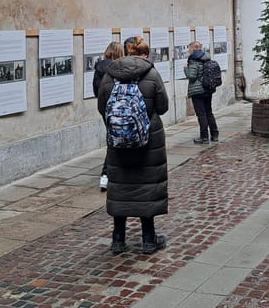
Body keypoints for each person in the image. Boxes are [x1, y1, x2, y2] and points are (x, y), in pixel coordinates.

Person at [97, 36, 169, 255]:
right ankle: (148, 240)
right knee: (147, 187)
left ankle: (118, 240)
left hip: (118, 141)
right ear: (144, 53)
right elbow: (163, 106)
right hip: (149, 141)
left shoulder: (110, 75)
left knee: (120, 188)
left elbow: (102, 107)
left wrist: (120, 128)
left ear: (127, 53)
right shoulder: (152, 74)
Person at [93, 41, 125, 191]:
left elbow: (96, 90)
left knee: (113, 139)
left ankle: (110, 173)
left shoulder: (99, 67)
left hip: (105, 108)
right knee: (116, 141)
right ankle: (106, 174)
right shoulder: (119, 67)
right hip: (119, 107)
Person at [185, 40, 219, 144]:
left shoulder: (194, 60)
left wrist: (185, 69)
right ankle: (214, 134)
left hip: (197, 90)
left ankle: (204, 137)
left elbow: (192, 76)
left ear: (193, 48)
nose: (188, 51)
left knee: (201, 114)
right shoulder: (206, 57)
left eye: (189, 48)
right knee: (209, 112)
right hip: (207, 88)